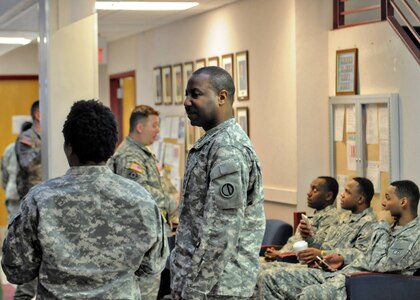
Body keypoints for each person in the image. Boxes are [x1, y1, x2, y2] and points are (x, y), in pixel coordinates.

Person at [1, 100, 169, 299]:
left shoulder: (39, 200)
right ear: (111, 148)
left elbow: (16, 270)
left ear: (68, 148)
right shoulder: (141, 199)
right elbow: (153, 266)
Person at [170, 66, 265, 299]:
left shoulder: (228, 149)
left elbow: (221, 233)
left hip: (217, 288)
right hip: (201, 283)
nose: (186, 102)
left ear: (222, 97)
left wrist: (194, 290)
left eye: (195, 94)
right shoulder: (213, 142)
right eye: (186, 94)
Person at [258, 180, 420, 300]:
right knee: (269, 278)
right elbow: (367, 256)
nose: (383, 203)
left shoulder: (413, 235)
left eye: (387, 198)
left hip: (364, 283)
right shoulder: (392, 227)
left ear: (403, 202)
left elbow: (381, 265)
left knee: (309, 294)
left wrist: (382, 224)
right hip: (342, 272)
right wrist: (340, 258)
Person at [108, 104, 178, 300]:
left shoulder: (143, 152)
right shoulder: (130, 156)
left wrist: (172, 212)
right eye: (154, 125)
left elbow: (161, 184)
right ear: (140, 127)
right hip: (138, 241)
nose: (157, 130)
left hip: (150, 238)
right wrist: (172, 201)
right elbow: (139, 193)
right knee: (143, 293)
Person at [264, 176, 339, 263]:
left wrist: (279, 255)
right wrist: (277, 252)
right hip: (283, 258)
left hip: (297, 263)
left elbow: (317, 249)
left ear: (328, 196)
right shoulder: (311, 216)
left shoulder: (332, 218)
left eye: (315, 190)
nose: (309, 193)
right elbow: (294, 242)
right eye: (310, 189)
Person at [13, 100, 42, 299]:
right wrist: (45, 148)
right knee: (28, 273)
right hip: (30, 210)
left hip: (48, 209)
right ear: (38, 115)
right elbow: (27, 164)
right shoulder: (27, 138)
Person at [1, 121, 32, 222]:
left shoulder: (10, 149)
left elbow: (4, 173)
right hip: (31, 193)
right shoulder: (37, 148)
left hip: (13, 192)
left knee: (13, 226)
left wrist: (8, 187)